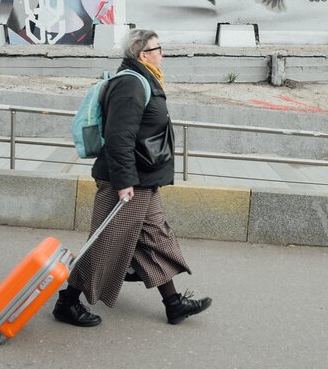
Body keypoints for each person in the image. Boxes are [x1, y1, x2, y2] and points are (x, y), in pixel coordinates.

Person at [53, 28, 212, 326]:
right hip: (126, 182)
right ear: (144, 54)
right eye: (159, 48)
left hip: (143, 181)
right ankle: (67, 302)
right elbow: (118, 138)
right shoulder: (131, 84)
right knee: (105, 243)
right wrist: (125, 182)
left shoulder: (143, 79)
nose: (162, 53)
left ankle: (174, 304)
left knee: (156, 238)